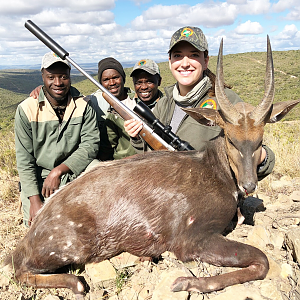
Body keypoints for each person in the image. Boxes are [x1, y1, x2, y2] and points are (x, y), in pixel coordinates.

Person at [124, 26, 275, 181]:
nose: (184, 63)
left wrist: (262, 157)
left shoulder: (226, 101)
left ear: (205, 61)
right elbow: (149, 153)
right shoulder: (164, 103)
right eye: (178, 56)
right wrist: (136, 136)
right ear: (170, 62)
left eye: (193, 55)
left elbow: (255, 153)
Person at [15, 52, 100, 226]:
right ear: (42, 77)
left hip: (73, 171)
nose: (58, 83)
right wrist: (34, 200)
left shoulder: (83, 104)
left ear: (70, 76)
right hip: (40, 176)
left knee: (98, 169)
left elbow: (90, 145)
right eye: (51, 77)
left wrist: (58, 171)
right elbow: (25, 160)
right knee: (42, 227)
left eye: (63, 76)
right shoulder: (26, 109)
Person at [104, 58, 163, 159]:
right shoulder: (122, 107)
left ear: (159, 81)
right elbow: (108, 146)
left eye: (149, 81)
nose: (143, 87)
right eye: (138, 83)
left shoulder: (168, 107)